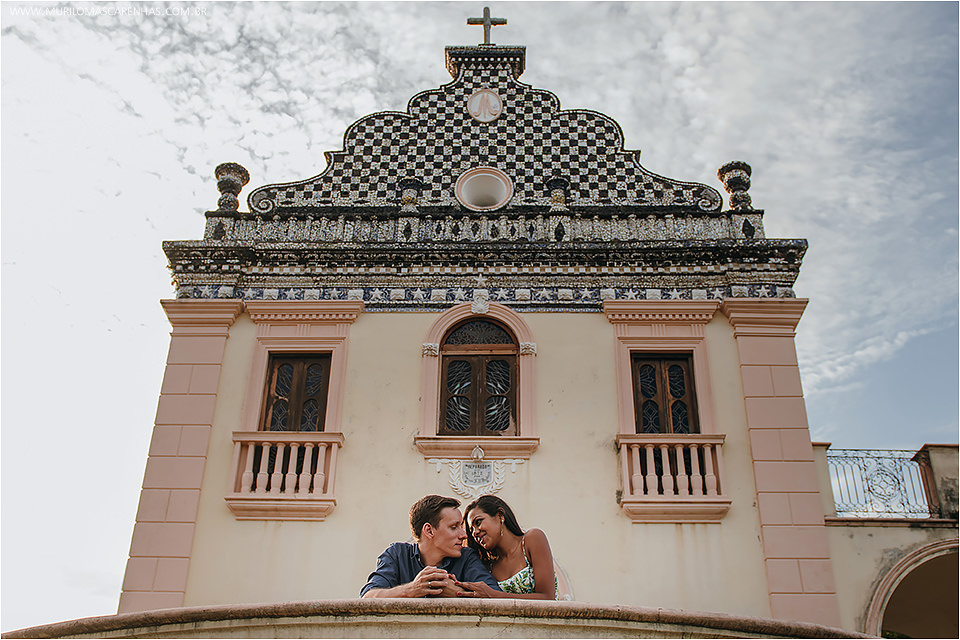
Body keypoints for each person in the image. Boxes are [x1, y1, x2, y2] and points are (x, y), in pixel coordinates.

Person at [360, 494, 502, 598]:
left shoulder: (467, 557)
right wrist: (412, 589)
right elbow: (368, 597)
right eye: (454, 527)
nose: (464, 535)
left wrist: (457, 593)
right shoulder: (397, 554)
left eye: (461, 526)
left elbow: (496, 598)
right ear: (429, 530)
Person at [456, 494, 557, 599]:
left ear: (500, 516)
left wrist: (495, 595)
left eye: (478, 522)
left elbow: (547, 597)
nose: (475, 532)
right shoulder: (488, 567)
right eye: (471, 530)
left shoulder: (532, 539)